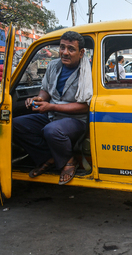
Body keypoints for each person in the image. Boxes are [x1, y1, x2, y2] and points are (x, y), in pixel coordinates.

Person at [12, 31, 93, 185]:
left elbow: (84, 106)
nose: (64, 53)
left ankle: (69, 161)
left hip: (76, 120)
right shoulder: (53, 65)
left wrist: (51, 106)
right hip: (52, 115)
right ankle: (47, 157)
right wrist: (39, 99)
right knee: (16, 125)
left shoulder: (87, 71)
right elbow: (46, 90)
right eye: (62, 47)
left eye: (71, 49)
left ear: (81, 52)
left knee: (52, 130)